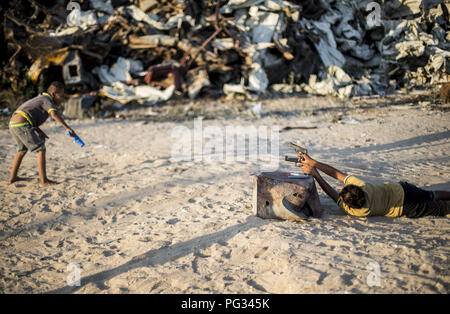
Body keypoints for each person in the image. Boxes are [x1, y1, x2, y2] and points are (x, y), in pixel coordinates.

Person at [297, 153, 450, 218]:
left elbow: (331, 193)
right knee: (432, 194)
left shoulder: (357, 211)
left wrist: (315, 174)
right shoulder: (364, 186)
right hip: (403, 189)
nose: (339, 189)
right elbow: (337, 174)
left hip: (405, 207)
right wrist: (313, 163)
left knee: (440, 208)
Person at [8, 81, 78, 188]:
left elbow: (30, 116)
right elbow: (54, 114)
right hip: (22, 124)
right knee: (41, 149)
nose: (63, 98)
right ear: (54, 94)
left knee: (22, 150)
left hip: (14, 123)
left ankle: (13, 178)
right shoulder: (47, 100)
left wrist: (39, 131)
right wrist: (68, 128)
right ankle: (43, 181)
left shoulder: (40, 98)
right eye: (61, 96)